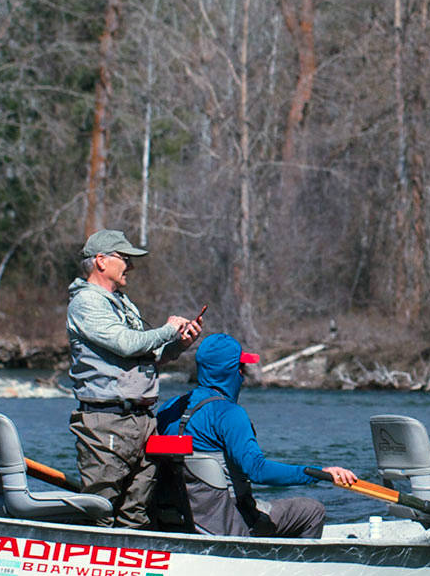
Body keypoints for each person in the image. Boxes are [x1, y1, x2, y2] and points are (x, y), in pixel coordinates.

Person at [157, 333, 359, 537]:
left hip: (181, 518)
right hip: (226, 522)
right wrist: (319, 473)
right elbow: (258, 471)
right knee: (312, 510)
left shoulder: (169, 407)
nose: (243, 374)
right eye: (241, 367)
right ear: (232, 372)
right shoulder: (229, 414)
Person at [66, 228, 203, 528]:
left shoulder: (122, 303)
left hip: (142, 422)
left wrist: (180, 343)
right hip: (107, 423)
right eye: (124, 258)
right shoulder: (87, 303)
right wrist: (168, 329)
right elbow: (126, 343)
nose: (131, 265)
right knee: (100, 510)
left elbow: (148, 356)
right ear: (101, 261)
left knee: (137, 512)